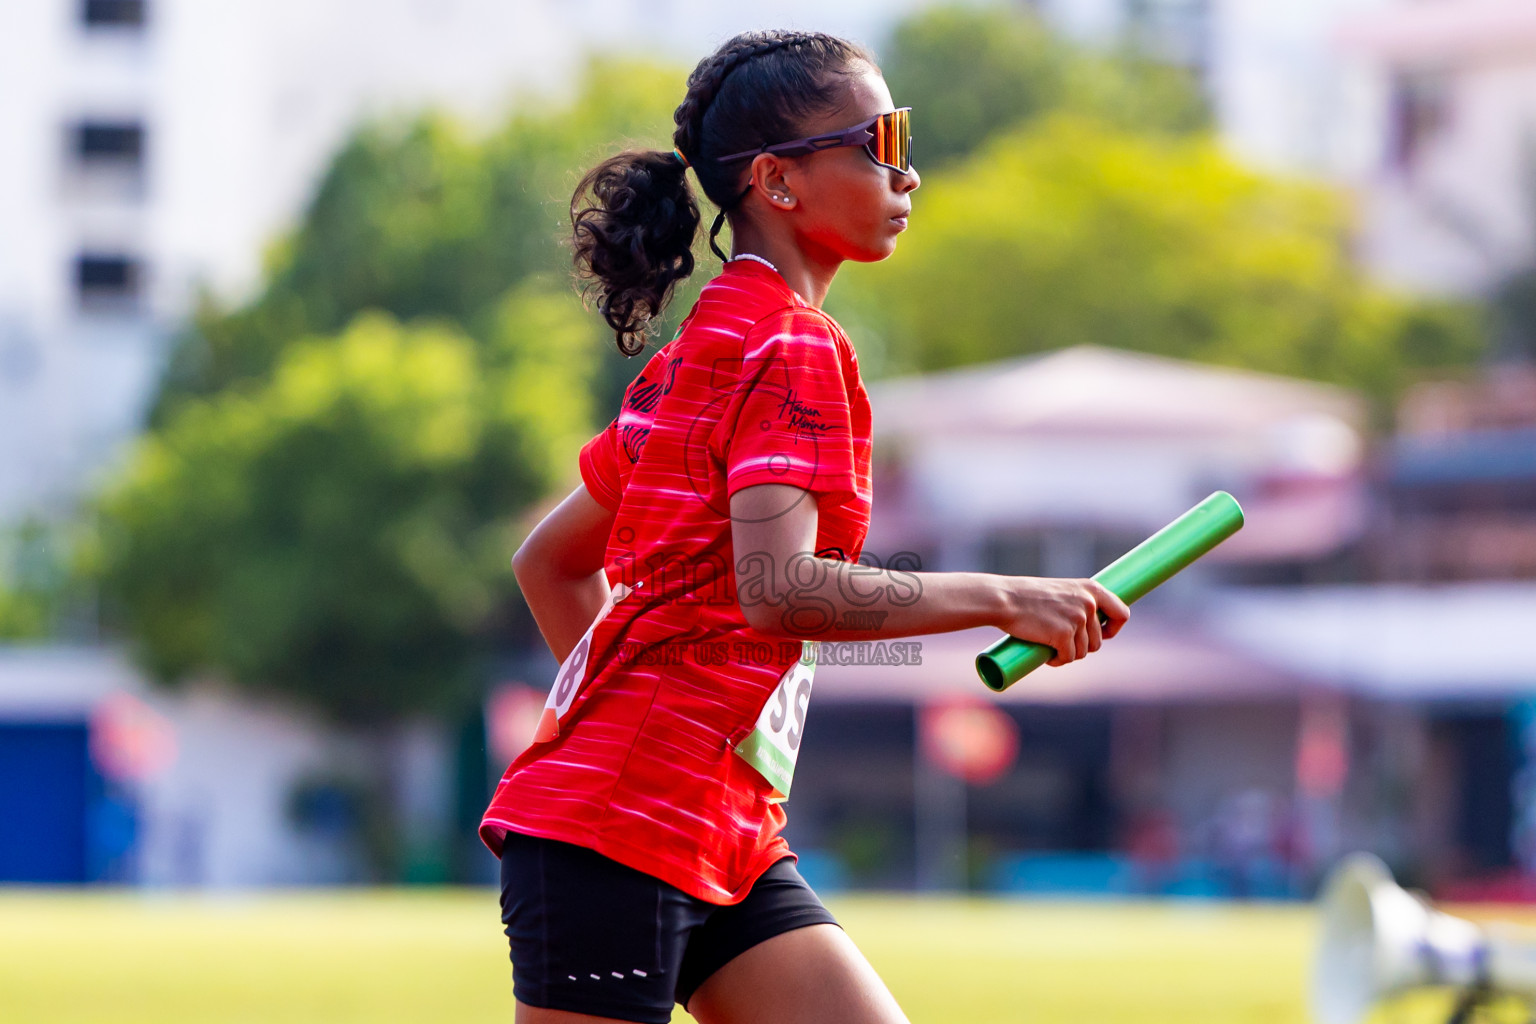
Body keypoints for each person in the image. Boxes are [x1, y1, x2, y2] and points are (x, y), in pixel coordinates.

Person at [480, 28, 1131, 1024]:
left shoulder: (704, 343)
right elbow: (779, 590)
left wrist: (677, 727)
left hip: (719, 835)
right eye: (882, 140)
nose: (908, 170)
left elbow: (550, 564)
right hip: (617, 834)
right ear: (778, 183)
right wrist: (1011, 595)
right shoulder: (788, 346)